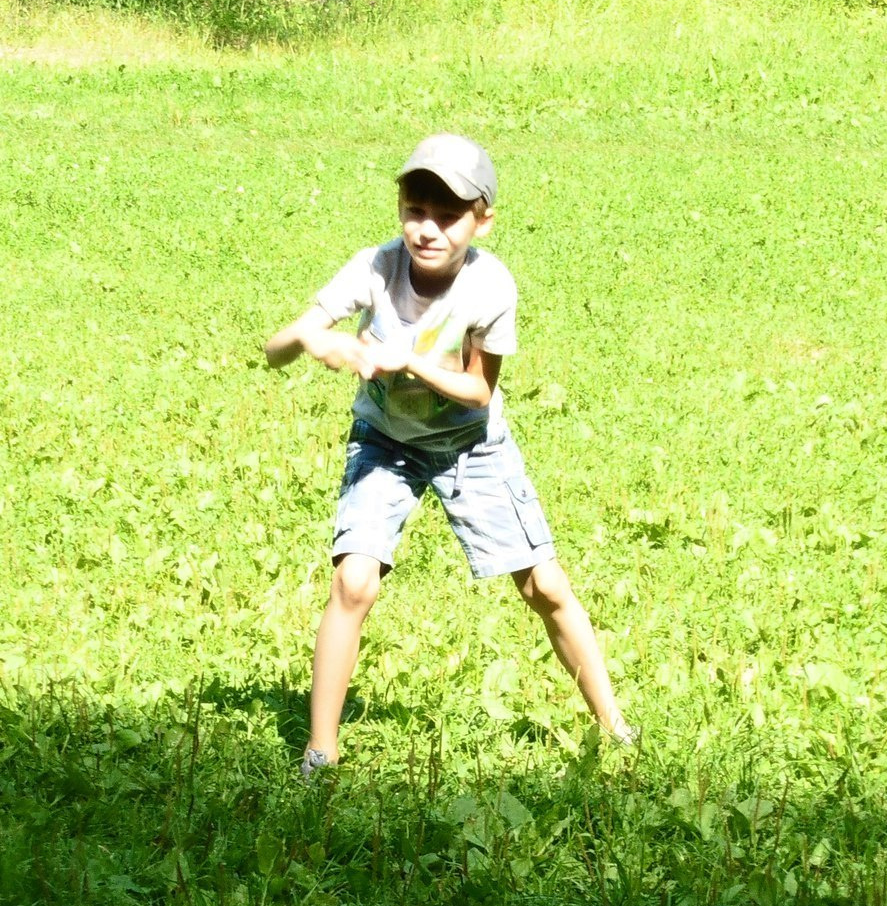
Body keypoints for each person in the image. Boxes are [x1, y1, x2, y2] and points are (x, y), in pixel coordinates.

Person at [264, 134, 630, 774]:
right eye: (414, 210)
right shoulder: (377, 266)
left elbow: (478, 393)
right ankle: (320, 751)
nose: (426, 229)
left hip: (470, 446)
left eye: (447, 215)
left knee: (544, 585)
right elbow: (278, 348)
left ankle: (615, 727)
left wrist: (409, 359)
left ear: (483, 218)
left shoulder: (490, 286)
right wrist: (313, 340)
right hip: (386, 444)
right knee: (354, 583)